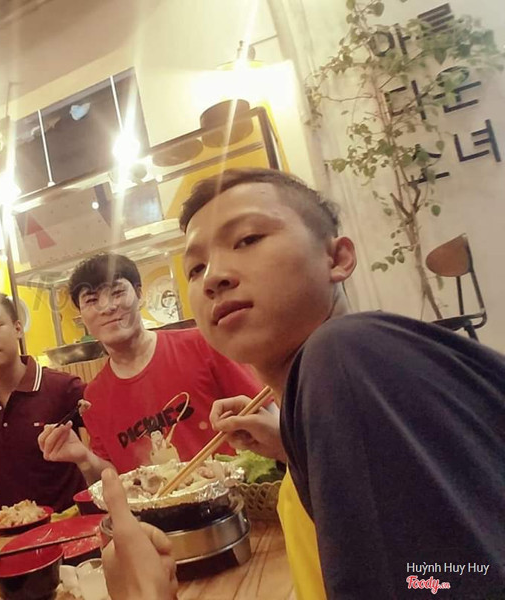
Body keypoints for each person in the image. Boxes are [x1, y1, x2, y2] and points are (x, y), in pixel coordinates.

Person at [101, 168, 505, 599]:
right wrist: (294, 447)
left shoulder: (346, 352)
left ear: (337, 259)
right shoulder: (319, 421)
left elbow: (448, 580)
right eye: (196, 268)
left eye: (248, 239)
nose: (214, 277)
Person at [38, 253, 263, 482]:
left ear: (139, 295)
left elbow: (263, 410)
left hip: (236, 495)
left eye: (117, 293)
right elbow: (114, 478)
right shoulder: (94, 397)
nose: (107, 307)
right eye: (91, 300)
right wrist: (84, 458)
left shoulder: (202, 344)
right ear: (81, 315)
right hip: (153, 505)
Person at [0, 289, 88, 512]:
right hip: (6, 525)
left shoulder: (62, 387)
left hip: (69, 522)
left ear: (18, 328)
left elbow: (108, 447)